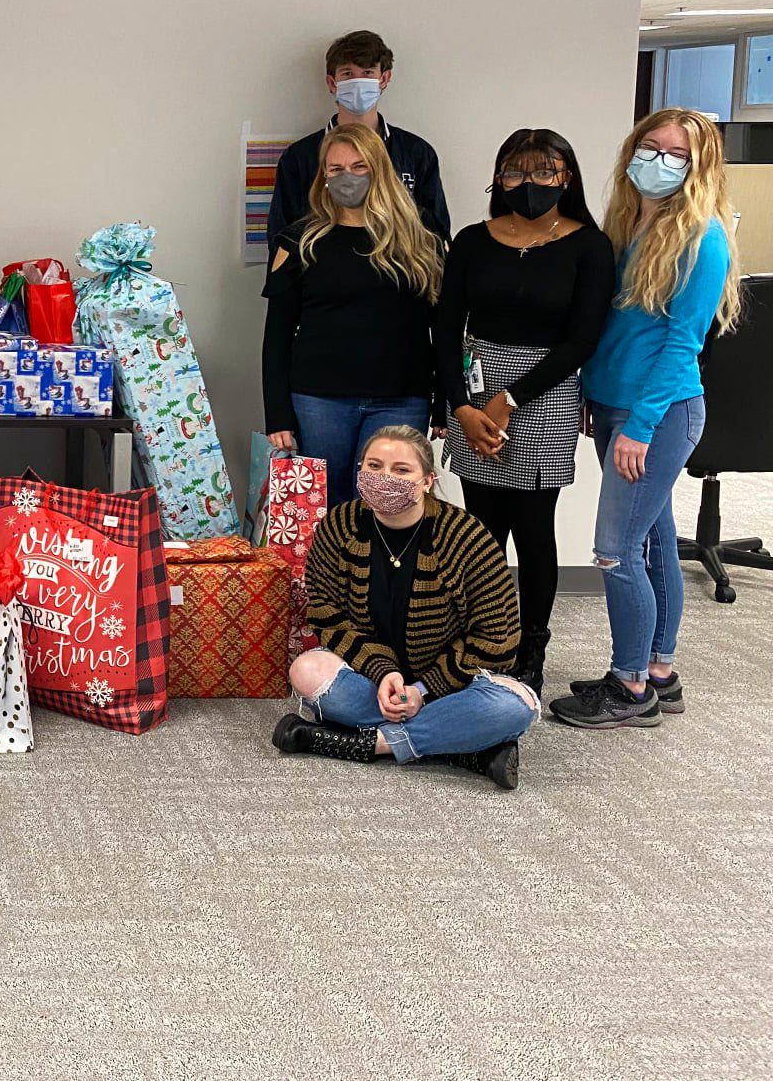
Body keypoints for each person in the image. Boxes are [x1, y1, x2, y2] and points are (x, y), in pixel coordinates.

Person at [550, 109, 741, 731]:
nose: (657, 161)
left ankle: (630, 687)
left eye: (675, 155)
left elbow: (682, 344)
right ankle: (659, 670)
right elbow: (613, 329)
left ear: (699, 166)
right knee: (654, 541)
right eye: (648, 147)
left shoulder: (702, 237)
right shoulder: (630, 224)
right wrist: (591, 396)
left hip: (657, 413)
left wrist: (638, 427)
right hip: (613, 404)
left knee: (614, 550)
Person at [435, 129, 614, 695]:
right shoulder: (471, 239)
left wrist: (510, 399)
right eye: (515, 172)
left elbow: (582, 339)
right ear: (498, 178)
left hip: (547, 393)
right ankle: (480, 638)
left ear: (567, 177)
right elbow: (445, 328)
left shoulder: (590, 245)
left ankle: (530, 646)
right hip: (475, 386)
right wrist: (460, 405)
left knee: (534, 529)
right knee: (481, 530)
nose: (529, 183)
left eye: (545, 171)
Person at [273, 426, 538, 789]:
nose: (385, 478)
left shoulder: (466, 535)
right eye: (374, 466)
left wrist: (424, 690)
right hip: (372, 678)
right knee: (305, 670)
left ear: (428, 480)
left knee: (517, 705)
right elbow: (326, 614)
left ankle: (367, 744)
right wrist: (383, 674)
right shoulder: (339, 525)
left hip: (453, 685)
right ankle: (463, 748)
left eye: (401, 470)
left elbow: (498, 637)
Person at [262, 123, 444, 507]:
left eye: (359, 167)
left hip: (402, 395)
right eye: (336, 168)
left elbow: (442, 326)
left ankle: (385, 570)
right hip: (319, 399)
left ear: (380, 170)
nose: (347, 177)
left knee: (389, 503)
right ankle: (332, 570)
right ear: (323, 176)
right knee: (326, 505)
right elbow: (276, 335)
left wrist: (444, 400)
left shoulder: (420, 237)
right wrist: (276, 414)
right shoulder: (298, 241)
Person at [265, 30, 450, 248]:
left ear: (384, 78)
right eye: (347, 74)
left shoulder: (417, 153)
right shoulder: (299, 157)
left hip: (398, 274)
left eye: (368, 72)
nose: (358, 82)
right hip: (322, 275)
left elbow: (436, 232)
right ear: (332, 83)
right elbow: (281, 237)